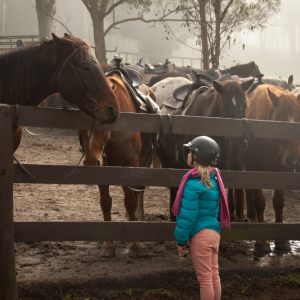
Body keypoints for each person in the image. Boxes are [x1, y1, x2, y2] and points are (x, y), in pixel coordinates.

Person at [173, 136, 230, 300]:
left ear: (198, 157)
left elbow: (188, 217)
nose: (188, 155)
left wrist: (181, 240)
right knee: (214, 275)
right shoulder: (214, 179)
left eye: (190, 152)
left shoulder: (193, 184)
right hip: (214, 233)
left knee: (205, 280)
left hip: (200, 235)